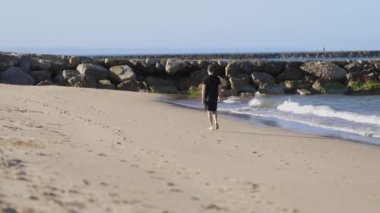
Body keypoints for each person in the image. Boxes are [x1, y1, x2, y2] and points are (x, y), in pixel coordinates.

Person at [202, 65, 222, 130]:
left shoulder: (206, 78)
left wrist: (202, 98)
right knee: (214, 111)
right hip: (215, 97)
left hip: (207, 97)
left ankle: (211, 126)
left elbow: (203, 89)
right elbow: (219, 88)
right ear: (213, 70)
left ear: (208, 71)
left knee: (208, 111)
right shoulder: (217, 78)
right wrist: (219, 96)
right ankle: (216, 121)